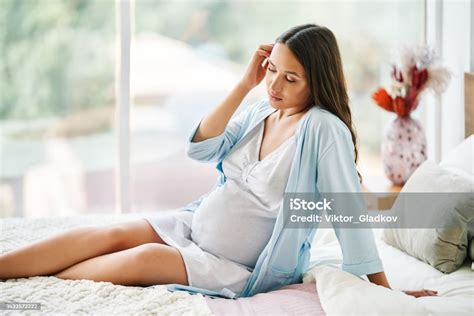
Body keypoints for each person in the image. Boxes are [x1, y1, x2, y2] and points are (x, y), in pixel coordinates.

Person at [0, 24, 437, 299]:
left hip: (237, 265)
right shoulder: (262, 107)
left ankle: (42, 280)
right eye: (271, 70)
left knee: (143, 258)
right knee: (113, 231)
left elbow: (346, 211)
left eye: (291, 78)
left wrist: (388, 291)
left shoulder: (323, 129)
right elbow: (202, 149)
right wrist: (246, 82)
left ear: (316, 80)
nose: (275, 85)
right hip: (194, 224)